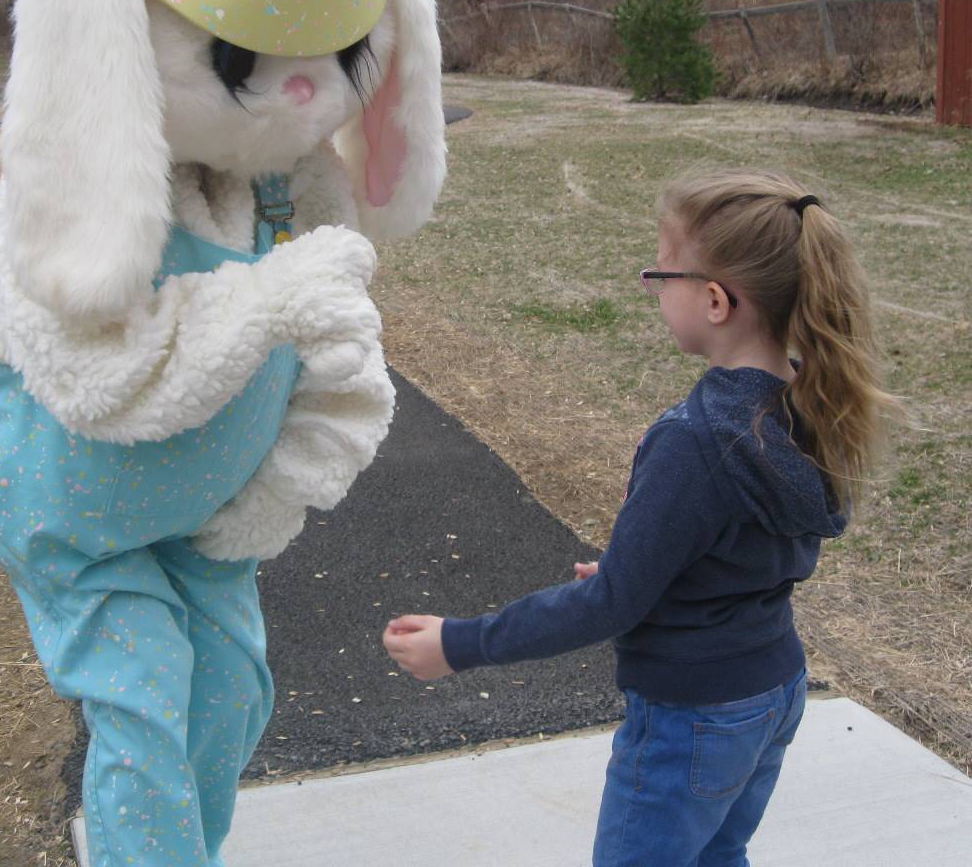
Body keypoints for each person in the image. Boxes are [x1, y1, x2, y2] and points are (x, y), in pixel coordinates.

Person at [382, 168, 896, 867]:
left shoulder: (697, 439)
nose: (651, 289)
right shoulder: (806, 402)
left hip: (693, 720)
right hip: (772, 694)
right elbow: (737, 555)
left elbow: (609, 604)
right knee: (719, 856)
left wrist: (460, 644)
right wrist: (653, 576)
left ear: (715, 301)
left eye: (661, 275)